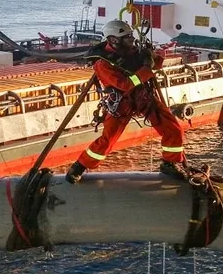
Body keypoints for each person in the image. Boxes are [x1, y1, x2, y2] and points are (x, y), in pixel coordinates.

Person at [66, 19, 187, 184]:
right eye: (127, 36)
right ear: (114, 40)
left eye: (131, 35)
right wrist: (147, 69)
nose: (132, 39)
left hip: (144, 97)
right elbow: (124, 85)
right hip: (122, 103)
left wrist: (151, 57)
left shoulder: (132, 51)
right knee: (108, 140)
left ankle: (170, 163)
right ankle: (79, 166)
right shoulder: (103, 63)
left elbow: (157, 64)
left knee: (173, 129)